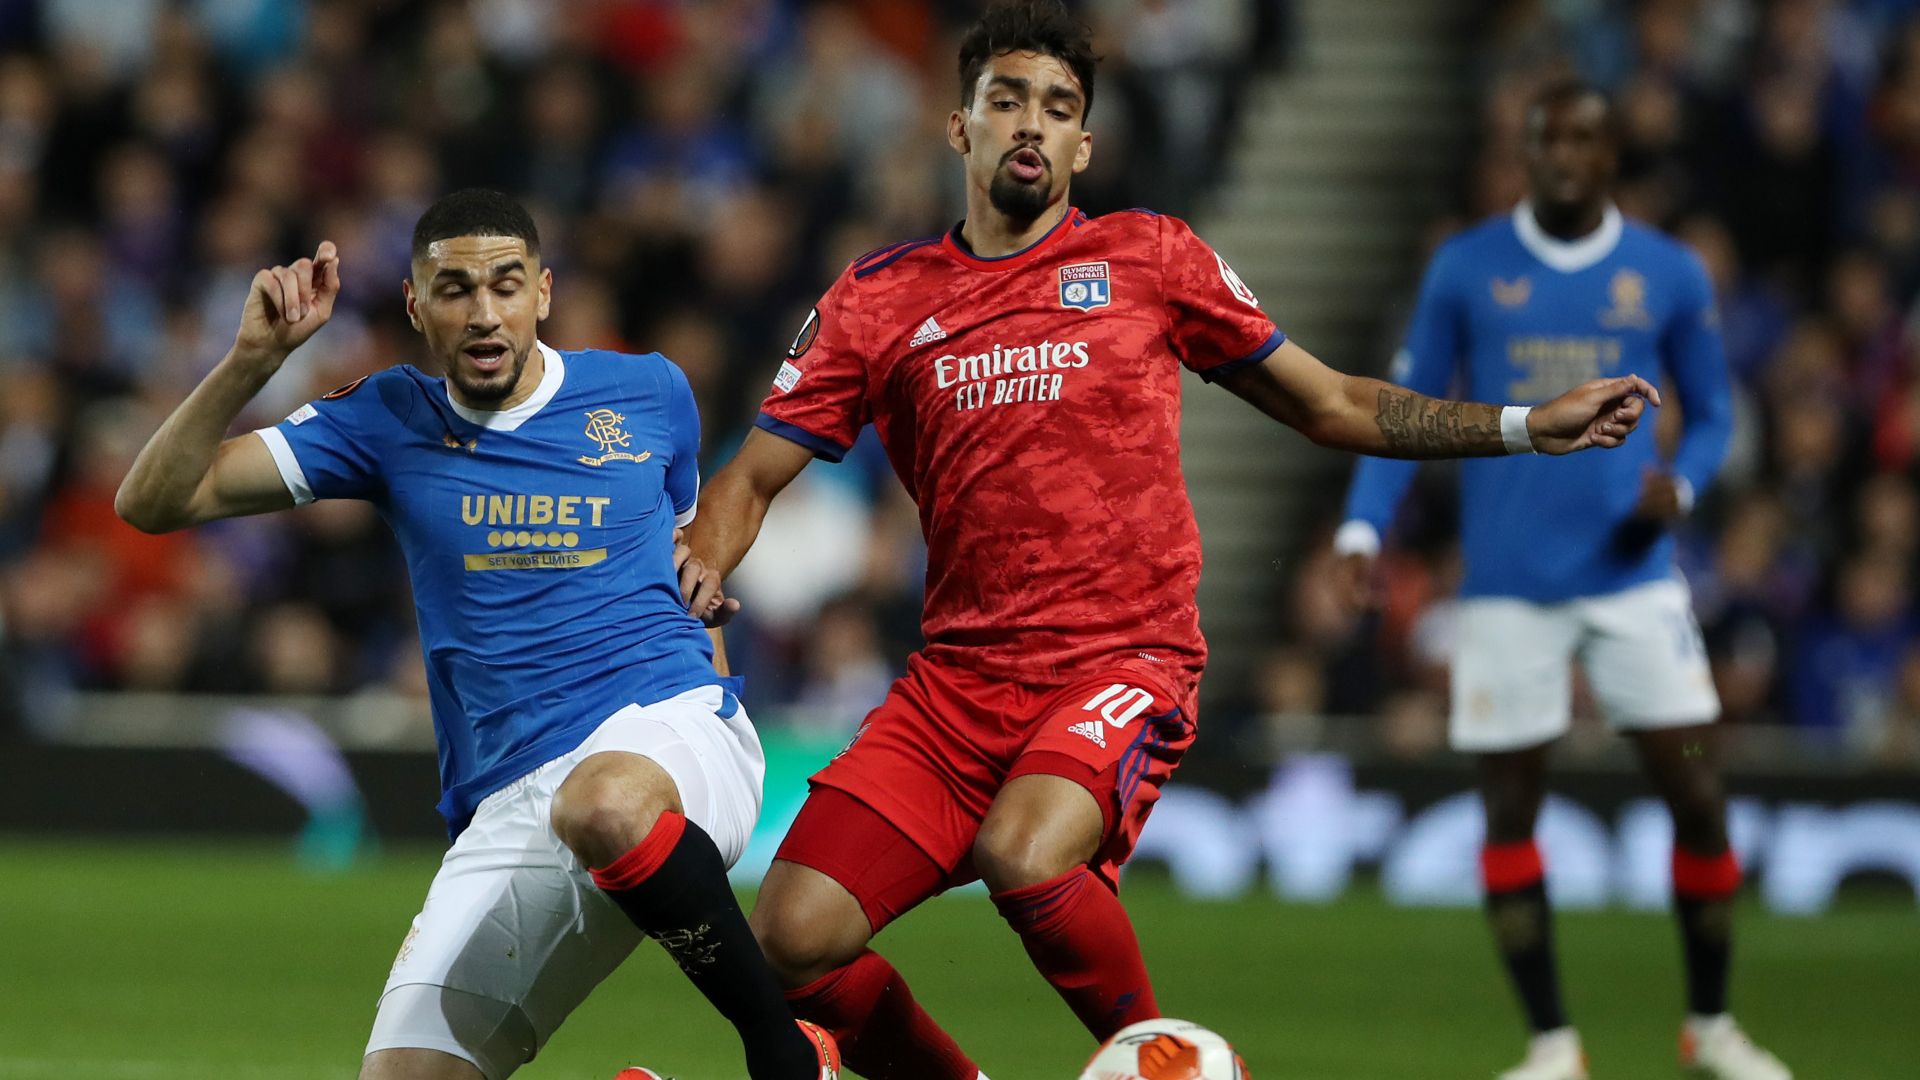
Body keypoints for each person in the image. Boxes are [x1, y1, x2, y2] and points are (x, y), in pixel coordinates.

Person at [684, 5, 1657, 1078]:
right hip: (956, 684)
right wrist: (703, 563)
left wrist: (1521, 426)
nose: (1031, 124)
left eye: (1058, 108)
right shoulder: (879, 298)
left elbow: (1330, 403)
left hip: (1119, 660)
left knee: (1024, 851)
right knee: (790, 936)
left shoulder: (1149, 256)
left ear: (1082, 144)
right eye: (1005, 99)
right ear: (958, 127)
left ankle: (1167, 1061)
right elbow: (753, 472)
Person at [114, 189, 837, 1080]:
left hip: (668, 725)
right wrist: (249, 361)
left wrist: (717, 704)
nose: (483, 313)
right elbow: (152, 503)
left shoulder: (650, 393)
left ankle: (786, 1057)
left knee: (605, 803)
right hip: (506, 792)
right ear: (417, 306)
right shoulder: (384, 417)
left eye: (504, 285)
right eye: (454, 290)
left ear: (543, 292)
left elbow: (689, 564)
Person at [1334, 82, 1790, 1080]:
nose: (1565, 156)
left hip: (1633, 579)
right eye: (1548, 139)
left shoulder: (1666, 273)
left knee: (1698, 792)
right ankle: (1552, 1045)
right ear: (1526, 151)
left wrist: (1687, 486)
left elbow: (1712, 412)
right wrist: (1365, 523)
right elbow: (1404, 407)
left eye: (1585, 137)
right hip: (1504, 586)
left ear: (1612, 152)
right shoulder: (1465, 266)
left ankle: (1709, 1024)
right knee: (1507, 810)